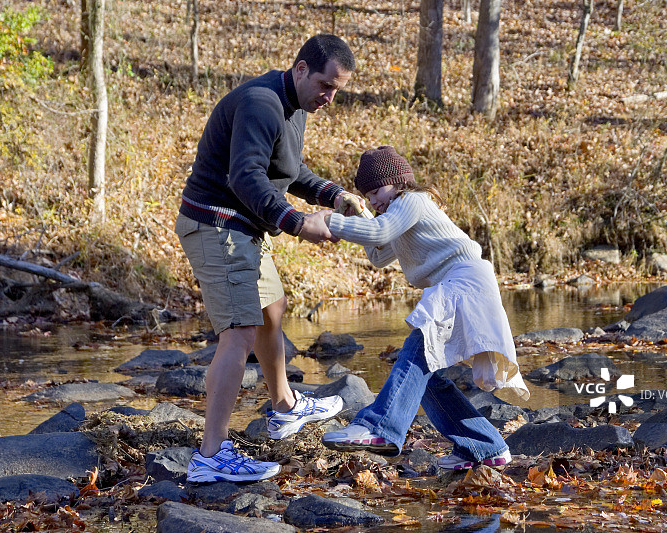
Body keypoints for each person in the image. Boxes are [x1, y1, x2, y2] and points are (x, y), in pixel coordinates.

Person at [175, 34, 368, 483]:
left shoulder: (292, 105)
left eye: (337, 89)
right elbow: (245, 176)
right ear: (300, 69)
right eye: (325, 85)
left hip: (242, 228)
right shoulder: (261, 103)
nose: (329, 97)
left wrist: (333, 195)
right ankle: (211, 456)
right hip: (217, 224)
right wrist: (299, 223)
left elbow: (288, 169)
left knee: (271, 309)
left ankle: (284, 407)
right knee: (239, 332)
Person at [321, 146, 530, 469]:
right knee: (428, 375)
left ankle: (380, 427)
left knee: (417, 351)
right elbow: (378, 254)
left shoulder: (411, 201)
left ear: (398, 182)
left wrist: (329, 221)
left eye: (376, 191)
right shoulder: (395, 214)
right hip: (456, 284)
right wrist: (359, 215)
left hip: (462, 282)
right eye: (367, 194)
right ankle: (486, 446)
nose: (374, 200)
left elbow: (380, 231)